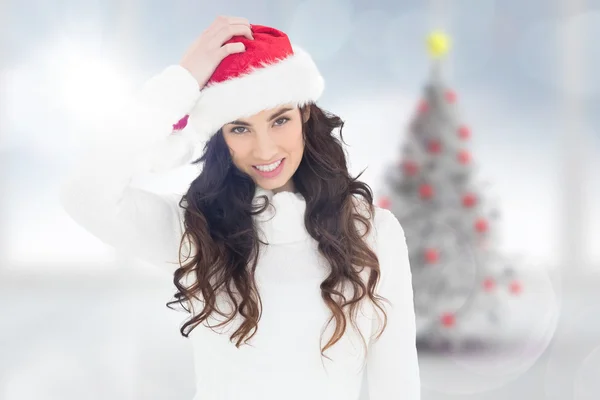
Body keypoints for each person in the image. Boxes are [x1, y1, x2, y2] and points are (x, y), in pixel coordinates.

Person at [60, 16, 420, 400]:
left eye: (279, 120)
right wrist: (180, 83)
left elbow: (396, 384)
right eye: (240, 128)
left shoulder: (373, 233)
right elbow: (84, 193)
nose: (264, 151)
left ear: (305, 115)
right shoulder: (195, 229)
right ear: (220, 137)